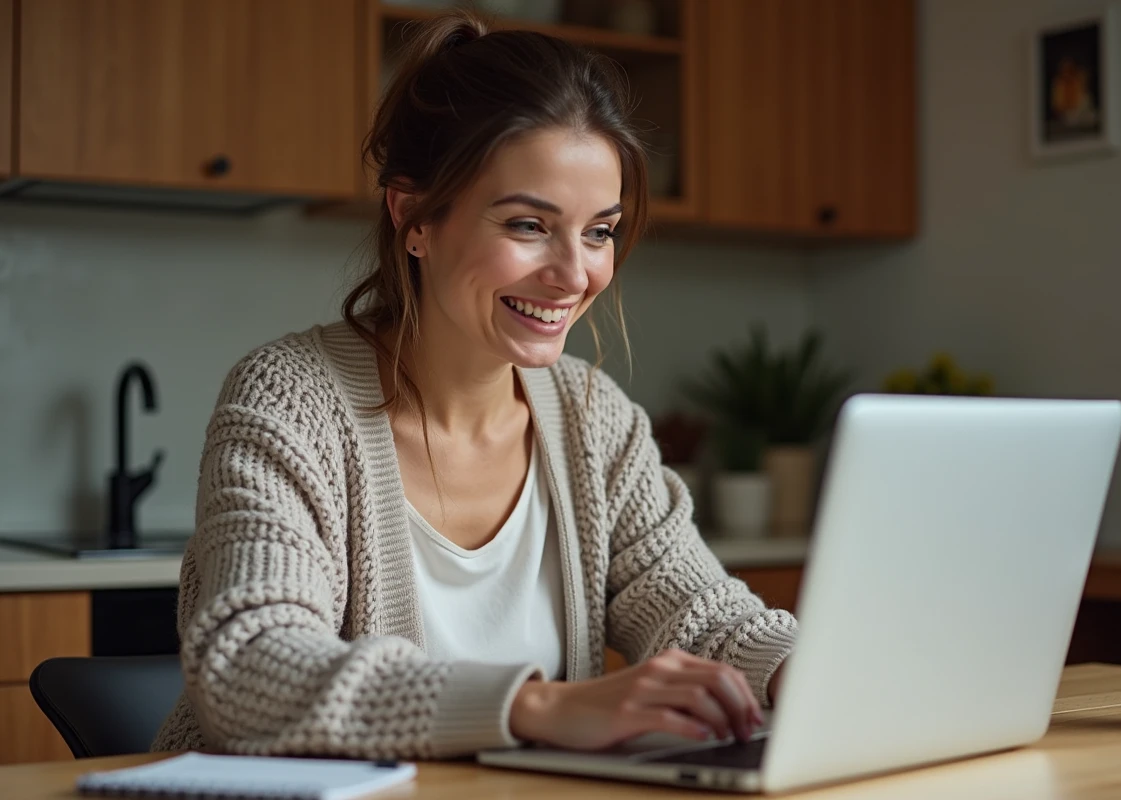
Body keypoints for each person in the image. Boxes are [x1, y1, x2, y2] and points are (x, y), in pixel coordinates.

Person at [152, 11, 797, 760]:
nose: (574, 274)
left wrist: (811, 671)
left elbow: (703, 619)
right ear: (414, 217)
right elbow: (251, 668)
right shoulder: (292, 402)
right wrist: (538, 707)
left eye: (599, 231)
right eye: (528, 225)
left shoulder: (595, 419)